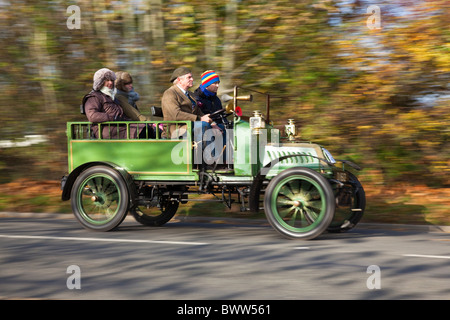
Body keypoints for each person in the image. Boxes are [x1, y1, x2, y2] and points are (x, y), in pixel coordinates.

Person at [161, 67, 225, 166]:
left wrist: (213, 124)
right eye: (189, 77)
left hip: (189, 126)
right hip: (176, 129)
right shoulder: (170, 93)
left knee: (222, 128)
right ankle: (212, 161)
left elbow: (199, 112)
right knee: (202, 126)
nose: (192, 79)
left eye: (191, 77)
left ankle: (224, 159)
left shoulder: (190, 95)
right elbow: (175, 114)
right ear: (179, 80)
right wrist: (199, 119)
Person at [83, 68, 144, 139]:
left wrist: (128, 120)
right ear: (100, 82)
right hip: (106, 131)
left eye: (112, 80)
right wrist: (112, 117)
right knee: (143, 130)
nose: (110, 83)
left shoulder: (112, 98)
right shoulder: (93, 97)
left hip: (118, 128)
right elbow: (92, 115)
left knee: (147, 128)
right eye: (107, 80)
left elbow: (120, 115)